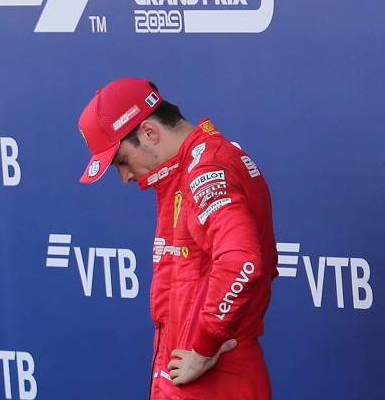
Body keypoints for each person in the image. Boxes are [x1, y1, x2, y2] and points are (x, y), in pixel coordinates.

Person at [78, 77, 277, 399]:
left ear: (149, 133)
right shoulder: (190, 166)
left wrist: (204, 346)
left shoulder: (206, 168)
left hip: (215, 381)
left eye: (122, 161)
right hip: (193, 376)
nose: (125, 177)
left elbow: (241, 260)